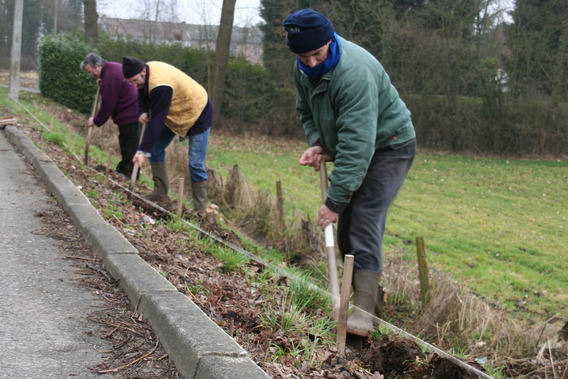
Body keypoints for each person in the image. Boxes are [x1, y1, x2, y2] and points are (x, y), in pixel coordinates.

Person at [283, 9, 417, 337]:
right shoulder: (303, 69)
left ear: (330, 41)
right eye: (304, 56)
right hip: (354, 148)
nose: (312, 63)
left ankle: (364, 314)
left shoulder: (354, 72)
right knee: (346, 233)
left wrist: (333, 201)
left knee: (364, 219)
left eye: (317, 54)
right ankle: (367, 306)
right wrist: (316, 142)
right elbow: (306, 110)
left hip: (390, 146)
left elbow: (358, 146)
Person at [121, 56, 215, 215]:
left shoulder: (160, 85)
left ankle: (201, 210)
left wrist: (143, 150)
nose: (134, 85)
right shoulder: (145, 73)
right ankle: (160, 193)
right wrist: (143, 110)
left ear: (143, 71)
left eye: (135, 80)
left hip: (198, 112)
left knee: (195, 163)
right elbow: (142, 91)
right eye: (131, 82)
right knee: (156, 148)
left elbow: (157, 120)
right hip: (177, 111)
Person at [80, 53, 142, 178]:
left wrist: (96, 121)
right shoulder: (113, 67)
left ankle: (129, 175)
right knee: (126, 142)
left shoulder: (109, 79)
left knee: (129, 145)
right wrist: (102, 81)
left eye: (92, 72)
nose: (91, 75)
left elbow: (107, 105)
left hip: (131, 112)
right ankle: (125, 170)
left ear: (98, 66)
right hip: (133, 110)